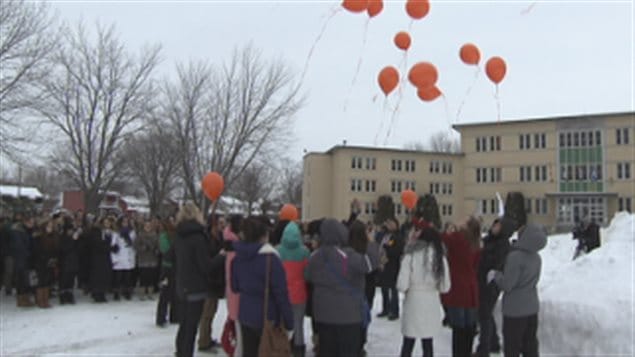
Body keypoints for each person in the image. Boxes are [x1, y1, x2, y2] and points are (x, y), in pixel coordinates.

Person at [307, 218, 379, 357]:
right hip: (349, 317)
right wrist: (370, 242)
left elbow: (308, 275)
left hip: (323, 316)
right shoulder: (347, 256)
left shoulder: (315, 256)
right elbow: (369, 264)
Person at [231, 217, 294, 357]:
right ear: (264, 235)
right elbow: (281, 294)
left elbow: (234, 287)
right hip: (268, 317)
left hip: (245, 314)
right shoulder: (271, 259)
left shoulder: (237, 258)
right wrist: (289, 322)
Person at [489, 223, 547, 357]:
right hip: (532, 307)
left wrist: (496, 275)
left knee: (512, 346)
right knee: (530, 345)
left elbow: (507, 284)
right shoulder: (536, 257)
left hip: (515, 310)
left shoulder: (515, 257)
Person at [397, 222, 451, 357]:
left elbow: (402, 284)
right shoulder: (440, 258)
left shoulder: (410, 255)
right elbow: (445, 287)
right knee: (428, 343)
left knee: (408, 342)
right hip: (431, 302)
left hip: (414, 302)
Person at [172, 203, 215, 357]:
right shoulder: (198, 237)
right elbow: (205, 265)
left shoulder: (178, 235)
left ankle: (180, 351)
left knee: (183, 325)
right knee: (191, 327)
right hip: (196, 286)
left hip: (181, 284)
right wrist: (219, 259)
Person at [442, 216, 481, 357]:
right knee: (469, 328)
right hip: (470, 289)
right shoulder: (476, 243)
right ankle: (467, 352)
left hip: (458, 288)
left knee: (458, 329)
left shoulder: (458, 238)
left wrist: (449, 231)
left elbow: (442, 238)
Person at [476, 217, 516, 357]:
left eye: (498, 226)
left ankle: (484, 348)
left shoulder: (503, 244)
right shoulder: (488, 240)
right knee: (485, 313)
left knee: (485, 314)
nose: (495, 228)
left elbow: (497, 263)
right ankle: (493, 343)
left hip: (491, 282)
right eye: (495, 225)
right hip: (481, 280)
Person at [277, 221, 310, 357]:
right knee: (298, 324)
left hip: (282, 294)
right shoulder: (304, 252)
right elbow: (307, 274)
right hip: (299, 294)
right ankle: (299, 349)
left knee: (282, 324)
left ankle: (283, 348)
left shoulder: (278, 251)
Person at [348, 220, 380, 357]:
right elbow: (373, 264)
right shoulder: (367, 247)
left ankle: (355, 340)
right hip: (367, 285)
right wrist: (372, 243)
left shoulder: (348, 248)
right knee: (364, 315)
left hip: (353, 288)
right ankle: (360, 342)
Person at [198, 215, 226, 352]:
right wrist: (220, 256)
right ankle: (203, 341)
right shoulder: (207, 240)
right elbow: (208, 261)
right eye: (220, 223)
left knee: (212, 312)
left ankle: (207, 337)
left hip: (217, 280)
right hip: (209, 280)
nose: (222, 225)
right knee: (207, 313)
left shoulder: (220, 238)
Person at [376, 217, 404, 320]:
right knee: (384, 288)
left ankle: (394, 310)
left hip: (393, 265)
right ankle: (385, 308)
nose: (389, 225)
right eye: (388, 223)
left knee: (393, 289)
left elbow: (397, 250)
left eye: (391, 223)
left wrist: (387, 249)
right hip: (384, 265)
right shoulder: (385, 235)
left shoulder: (397, 236)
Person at [223, 214, 243, 356]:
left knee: (235, 322)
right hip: (238, 289)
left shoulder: (228, 243)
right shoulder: (237, 247)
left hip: (231, 288)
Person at [33, 219, 60, 308]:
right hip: (40, 262)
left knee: (47, 281)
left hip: (50, 261)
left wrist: (53, 258)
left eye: (51, 226)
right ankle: (40, 300)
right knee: (41, 281)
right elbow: (36, 250)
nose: (50, 228)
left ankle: (46, 300)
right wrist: (44, 258)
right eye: (49, 226)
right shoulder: (39, 237)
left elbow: (55, 249)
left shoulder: (53, 236)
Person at [89, 216, 117, 303]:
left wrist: (115, 248)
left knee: (105, 275)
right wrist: (110, 248)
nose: (107, 224)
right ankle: (97, 293)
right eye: (105, 223)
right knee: (98, 276)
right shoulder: (97, 232)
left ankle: (102, 293)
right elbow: (98, 245)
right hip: (98, 257)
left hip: (107, 257)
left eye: (108, 223)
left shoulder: (112, 233)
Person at [157, 217, 179, 326]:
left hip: (177, 267)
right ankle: (161, 317)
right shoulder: (163, 236)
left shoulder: (178, 235)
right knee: (165, 293)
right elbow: (165, 249)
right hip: (167, 267)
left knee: (175, 292)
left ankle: (175, 316)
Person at [11, 215, 36, 307]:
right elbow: (19, 246)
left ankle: (25, 298)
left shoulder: (28, 231)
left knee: (26, 280)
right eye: (31, 223)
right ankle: (21, 299)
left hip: (27, 258)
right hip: (21, 258)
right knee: (22, 279)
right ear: (26, 222)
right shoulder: (18, 232)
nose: (32, 225)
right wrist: (28, 254)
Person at [111, 216, 136, 301]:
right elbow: (113, 246)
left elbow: (133, 245)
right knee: (118, 277)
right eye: (123, 222)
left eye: (126, 222)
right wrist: (114, 258)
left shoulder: (132, 233)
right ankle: (116, 292)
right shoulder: (116, 233)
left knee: (127, 277)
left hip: (128, 257)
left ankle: (127, 291)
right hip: (119, 256)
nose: (125, 224)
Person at [135, 220, 159, 300]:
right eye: (146, 225)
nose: (148, 227)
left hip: (152, 259)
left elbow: (158, 246)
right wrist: (143, 248)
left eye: (149, 225)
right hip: (143, 259)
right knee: (143, 277)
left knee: (151, 277)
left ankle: (150, 293)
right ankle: (142, 294)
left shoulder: (155, 235)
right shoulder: (140, 235)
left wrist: (156, 250)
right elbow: (136, 246)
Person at [59, 216, 80, 304]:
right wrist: (72, 240)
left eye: (71, 230)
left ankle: (70, 295)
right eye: (69, 230)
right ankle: (63, 295)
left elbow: (78, 249)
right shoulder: (63, 238)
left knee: (71, 279)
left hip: (73, 261)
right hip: (65, 262)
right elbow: (65, 249)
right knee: (64, 279)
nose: (71, 232)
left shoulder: (74, 238)